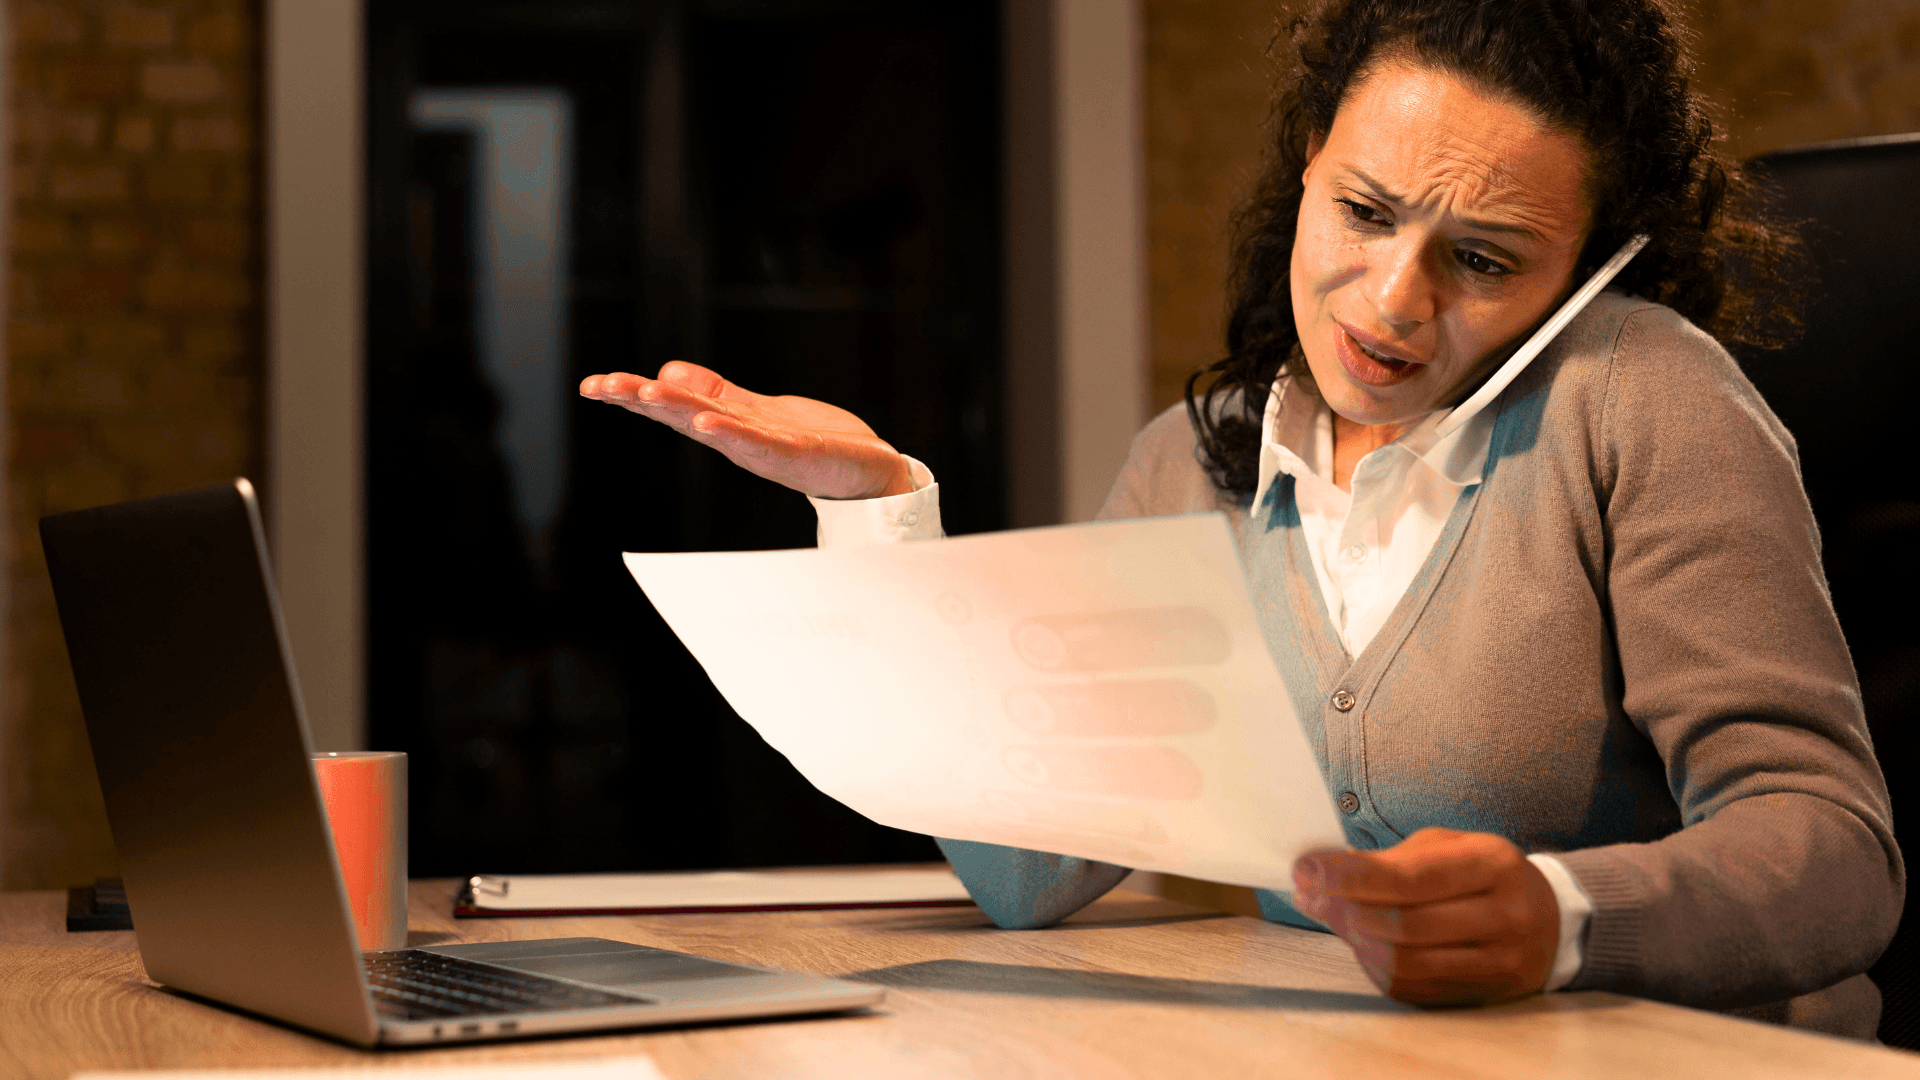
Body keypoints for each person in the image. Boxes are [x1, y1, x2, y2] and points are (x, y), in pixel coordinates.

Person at [579, 0, 1901, 1038]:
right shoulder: (1196, 461)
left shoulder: (1644, 396)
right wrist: (881, 520)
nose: (1389, 303)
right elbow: (1025, 871)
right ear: (1304, 165)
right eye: (1365, 212)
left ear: (1595, 267)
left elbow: (1837, 853)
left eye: (1483, 260)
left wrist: (1563, 915)